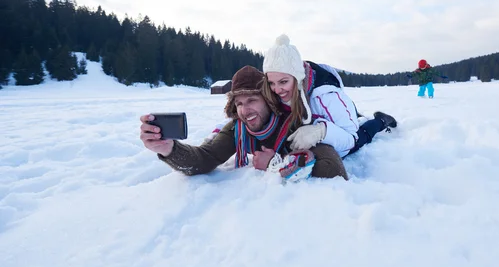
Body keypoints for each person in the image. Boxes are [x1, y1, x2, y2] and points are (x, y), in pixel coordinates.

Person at [140, 65, 348, 182]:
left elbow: (333, 169)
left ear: (268, 100)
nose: (244, 110)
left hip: (343, 127)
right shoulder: (238, 128)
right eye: (238, 103)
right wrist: (169, 149)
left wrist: (275, 165)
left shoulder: (296, 122)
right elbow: (203, 160)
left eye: (252, 100)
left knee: (364, 131)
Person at [261, 34, 398, 159]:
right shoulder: (276, 93)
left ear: (298, 78)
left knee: (362, 135)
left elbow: (351, 138)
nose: (277, 90)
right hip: (335, 115)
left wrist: (321, 132)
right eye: (272, 83)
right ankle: (357, 116)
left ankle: (381, 120)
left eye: (283, 82)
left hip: (344, 120)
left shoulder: (327, 97)